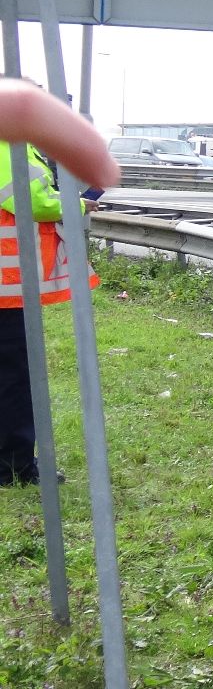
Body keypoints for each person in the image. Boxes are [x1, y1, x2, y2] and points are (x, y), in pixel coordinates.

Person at [0, 78, 116, 487]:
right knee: (14, 378)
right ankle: (14, 466)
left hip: (9, 287)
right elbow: (30, 201)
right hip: (7, 288)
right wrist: (77, 203)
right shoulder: (8, 147)